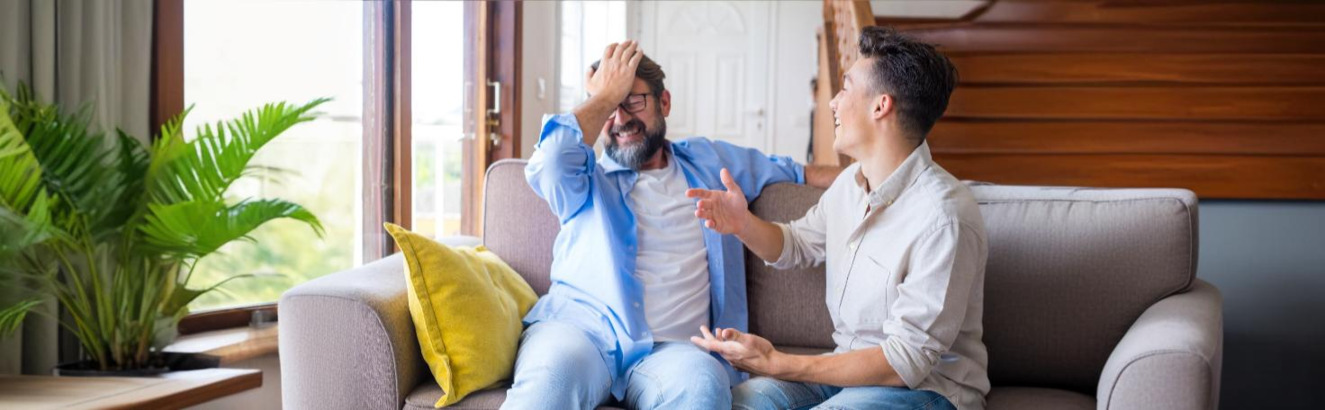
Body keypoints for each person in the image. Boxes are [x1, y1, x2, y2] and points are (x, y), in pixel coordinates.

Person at [503, 40, 840, 409]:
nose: (621, 119)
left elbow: (798, 171)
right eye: (610, 107)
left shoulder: (710, 161)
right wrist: (601, 98)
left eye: (633, 101)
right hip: (580, 334)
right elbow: (549, 161)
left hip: (675, 352)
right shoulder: (583, 179)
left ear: (664, 103)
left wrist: (875, 177)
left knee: (701, 387)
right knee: (550, 381)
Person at [688, 26, 990, 410]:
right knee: (739, 403)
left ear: (881, 106)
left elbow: (905, 363)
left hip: (929, 390)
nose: (832, 102)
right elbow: (796, 244)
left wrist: (779, 363)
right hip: (844, 373)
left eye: (845, 87)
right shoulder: (851, 182)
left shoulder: (945, 217)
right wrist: (742, 224)